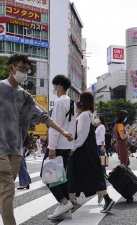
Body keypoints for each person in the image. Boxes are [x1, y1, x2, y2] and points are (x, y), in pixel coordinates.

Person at [0, 54, 73, 225]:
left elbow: (43, 116)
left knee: (4, 190)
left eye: (28, 69)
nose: (25, 72)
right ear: (11, 67)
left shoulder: (25, 96)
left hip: (16, 150)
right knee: (7, 189)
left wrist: (63, 131)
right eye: (22, 68)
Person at [68, 92, 115, 213]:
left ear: (83, 100)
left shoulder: (84, 115)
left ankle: (107, 199)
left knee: (80, 175)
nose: (78, 100)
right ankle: (70, 203)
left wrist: (72, 148)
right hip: (86, 150)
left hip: (83, 151)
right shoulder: (89, 114)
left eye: (80, 98)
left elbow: (82, 136)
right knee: (77, 176)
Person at [43, 74, 76, 220]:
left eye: (54, 85)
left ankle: (64, 202)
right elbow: (71, 126)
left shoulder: (59, 102)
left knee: (48, 176)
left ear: (60, 86)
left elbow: (54, 125)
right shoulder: (72, 102)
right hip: (66, 145)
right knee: (61, 177)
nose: (53, 88)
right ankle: (66, 207)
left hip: (57, 145)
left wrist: (51, 147)